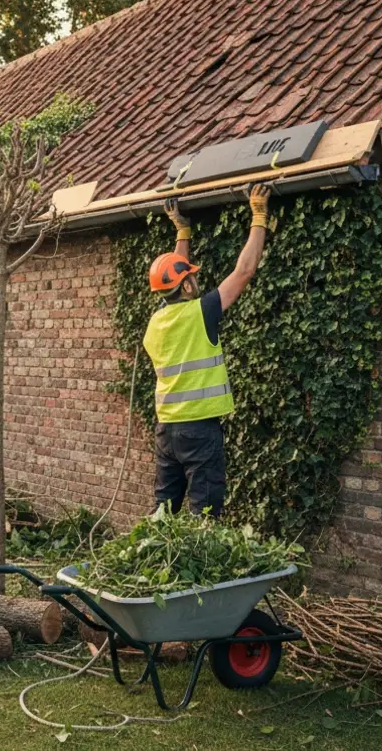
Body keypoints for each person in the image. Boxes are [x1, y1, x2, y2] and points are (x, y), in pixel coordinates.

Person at [142, 184, 271, 518]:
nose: (195, 280)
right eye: (191, 278)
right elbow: (244, 272)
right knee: (205, 515)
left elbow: (174, 273)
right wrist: (259, 216)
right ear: (186, 286)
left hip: (167, 430)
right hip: (199, 430)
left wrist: (182, 230)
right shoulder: (202, 311)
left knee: (163, 513)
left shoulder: (156, 322)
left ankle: (157, 563)